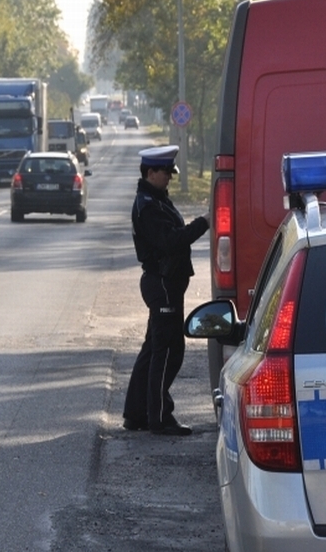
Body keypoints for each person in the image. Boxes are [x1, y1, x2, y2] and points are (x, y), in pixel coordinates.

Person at [123, 145, 210, 436]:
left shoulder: (156, 199)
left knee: (153, 349)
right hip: (162, 282)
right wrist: (205, 222)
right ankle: (159, 417)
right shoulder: (148, 205)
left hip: (166, 281)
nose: (169, 178)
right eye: (166, 173)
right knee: (168, 351)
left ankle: (137, 413)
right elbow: (172, 241)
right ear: (151, 173)